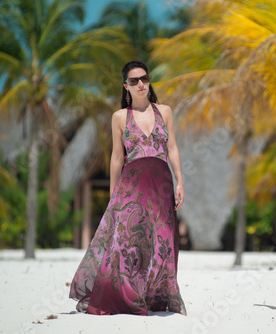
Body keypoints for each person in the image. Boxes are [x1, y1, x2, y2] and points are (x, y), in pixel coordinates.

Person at [69, 60, 186, 316]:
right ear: (126, 86)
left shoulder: (164, 111)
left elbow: (173, 148)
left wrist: (180, 181)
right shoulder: (120, 117)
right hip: (132, 185)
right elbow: (116, 158)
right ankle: (128, 297)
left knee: (162, 240)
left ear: (149, 80)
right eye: (134, 81)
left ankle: (154, 296)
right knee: (128, 242)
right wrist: (114, 194)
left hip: (161, 184)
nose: (140, 84)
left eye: (144, 78)